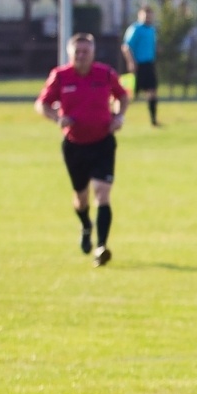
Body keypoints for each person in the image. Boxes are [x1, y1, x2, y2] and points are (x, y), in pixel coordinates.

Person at [36, 33, 129, 267]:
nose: (81, 56)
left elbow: (122, 96)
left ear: (93, 53)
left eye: (85, 51)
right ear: (70, 54)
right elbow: (42, 104)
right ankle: (86, 225)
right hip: (74, 145)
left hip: (103, 142)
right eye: (77, 52)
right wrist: (56, 118)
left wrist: (119, 116)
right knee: (81, 197)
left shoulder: (105, 74)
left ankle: (101, 247)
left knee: (102, 193)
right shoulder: (61, 76)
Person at [121, 6, 160, 127]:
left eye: (150, 15)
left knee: (152, 91)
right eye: (145, 15)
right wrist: (131, 62)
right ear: (140, 15)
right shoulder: (135, 29)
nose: (148, 17)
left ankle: (153, 120)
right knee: (129, 95)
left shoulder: (152, 29)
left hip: (149, 65)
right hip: (138, 65)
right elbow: (126, 47)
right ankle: (118, 116)